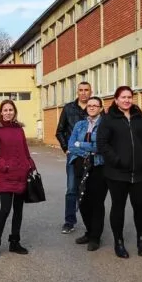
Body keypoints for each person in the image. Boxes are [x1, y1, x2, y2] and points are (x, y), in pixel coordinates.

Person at [96, 87, 142, 258]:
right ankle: (119, 242)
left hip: (139, 172)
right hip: (116, 173)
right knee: (118, 207)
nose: (127, 100)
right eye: (123, 97)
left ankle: (141, 241)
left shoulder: (140, 116)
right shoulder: (108, 119)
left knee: (140, 207)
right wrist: (117, 160)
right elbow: (102, 143)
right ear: (116, 99)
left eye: (129, 97)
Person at [0, 100, 35, 259]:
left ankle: (14, 242)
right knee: (5, 210)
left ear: (14, 112)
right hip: (6, 175)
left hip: (21, 174)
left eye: (10, 110)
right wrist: (5, 166)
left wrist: (30, 166)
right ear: (1, 112)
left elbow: (25, 151)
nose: (8, 113)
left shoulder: (19, 129)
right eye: (5, 110)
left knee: (18, 210)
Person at [67, 97, 108, 252]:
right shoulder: (80, 124)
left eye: (95, 105)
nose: (91, 107)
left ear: (101, 108)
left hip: (98, 166)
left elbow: (101, 147)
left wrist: (81, 144)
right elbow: (71, 145)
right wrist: (87, 150)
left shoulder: (105, 125)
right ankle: (89, 231)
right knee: (83, 201)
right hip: (80, 165)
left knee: (96, 202)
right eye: (89, 105)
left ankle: (95, 237)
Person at [55, 81, 92, 233]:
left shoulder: (95, 107)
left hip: (91, 155)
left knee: (90, 190)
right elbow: (59, 131)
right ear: (77, 92)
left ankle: (91, 223)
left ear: (91, 92)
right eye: (81, 90)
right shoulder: (69, 108)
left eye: (86, 90)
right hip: (73, 156)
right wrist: (66, 149)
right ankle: (69, 221)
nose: (83, 93)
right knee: (71, 189)